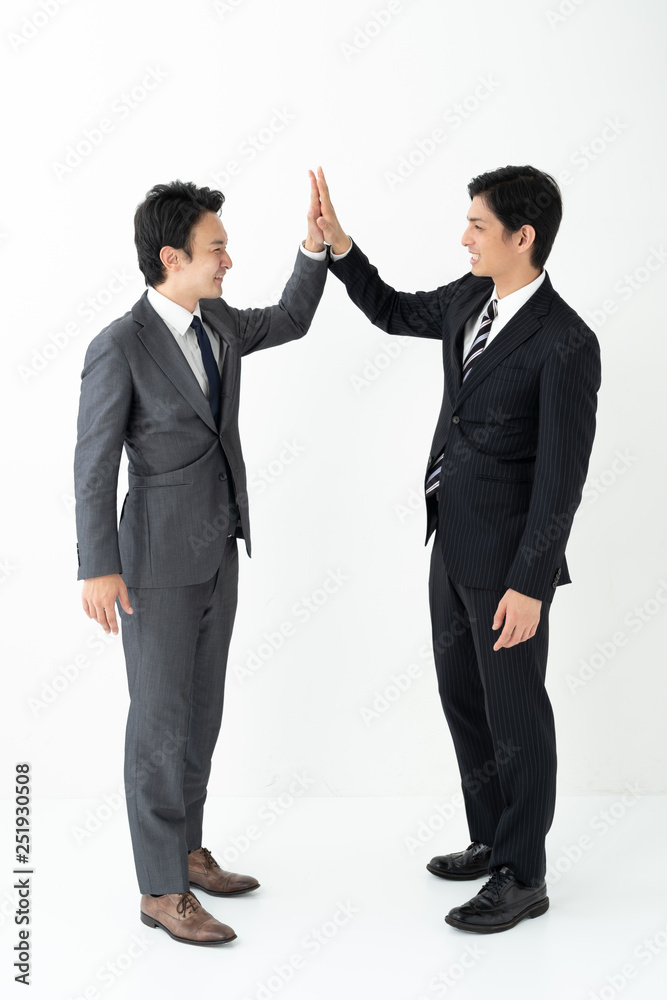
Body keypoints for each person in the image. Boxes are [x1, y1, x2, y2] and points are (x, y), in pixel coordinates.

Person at [313, 164, 601, 933]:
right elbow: (394, 311)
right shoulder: (473, 298)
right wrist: (340, 248)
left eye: (476, 224)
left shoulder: (566, 341)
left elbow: (560, 478)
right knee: (462, 699)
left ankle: (522, 873)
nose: (463, 236)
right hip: (450, 539)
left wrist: (530, 583)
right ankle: (490, 836)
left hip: (510, 562)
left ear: (522, 236)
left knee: (515, 715)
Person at [74, 175, 328, 946]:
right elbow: (93, 462)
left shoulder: (215, 321)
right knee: (157, 723)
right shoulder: (119, 344)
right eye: (216, 248)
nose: (227, 259)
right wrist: (97, 566)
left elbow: (288, 319)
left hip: (219, 550)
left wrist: (313, 250)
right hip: (149, 561)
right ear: (171, 256)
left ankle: (186, 849)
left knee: (202, 713)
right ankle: (160, 891)